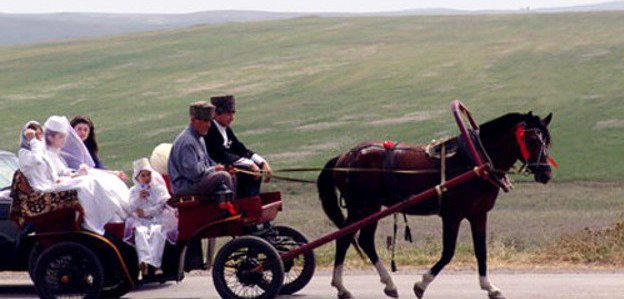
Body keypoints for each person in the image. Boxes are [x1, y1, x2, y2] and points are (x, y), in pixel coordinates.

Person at [17, 116, 130, 235]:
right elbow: (37, 161)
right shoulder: (26, 153)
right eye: (36, 135)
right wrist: (33, 141)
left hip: (54, 182)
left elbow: (60, 170)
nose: (39, 137)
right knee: (85, 186)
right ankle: (93, 223)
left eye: (40, 134)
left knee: (92, 180)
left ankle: (115, 213)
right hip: (43, 187)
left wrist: (73, 174)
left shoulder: (48, 153)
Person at [204, 95, 272, 198]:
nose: (232, 118)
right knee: (247, 174)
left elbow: (239, 149)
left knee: (253, 172)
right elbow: (221, 154)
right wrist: (250, 165)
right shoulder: (210, 131)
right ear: (216, 114)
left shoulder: (226, 129)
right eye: (228, 114)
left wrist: (261, 162)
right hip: (213, 173)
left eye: (233, 113)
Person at [168, 101, 236, 197]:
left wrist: (223, 167)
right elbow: (194, 174)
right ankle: (231, 209)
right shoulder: (187, 142)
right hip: (186, 186)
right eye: (205, 121)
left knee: (230, 174)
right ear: (193, 120)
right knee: (223, 177)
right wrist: (215, 169)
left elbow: (208, 161)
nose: (208, 125)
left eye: (209, 121)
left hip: (197, 180)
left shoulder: (200, 138)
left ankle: (231, 205)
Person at [124, 158, 177, 275]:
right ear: (137, 178)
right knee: (140, 232)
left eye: (148, 175)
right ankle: (144, 262)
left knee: (157, 232)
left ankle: (157, 264)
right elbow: (131, 207)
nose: (147, 178)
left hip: (156, 219)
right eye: (143, 176)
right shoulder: (133, 191)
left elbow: (161, 205)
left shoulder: (157, 189)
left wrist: (147, 212)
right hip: (140, 220)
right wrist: (139, 197)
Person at [70, 115, 127, 181]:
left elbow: (97, 165)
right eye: (79, 129)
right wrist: (112, 173)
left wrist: (113, 174)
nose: (82, 132)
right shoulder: (68, 148)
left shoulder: (89, 145)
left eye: (85, 130)